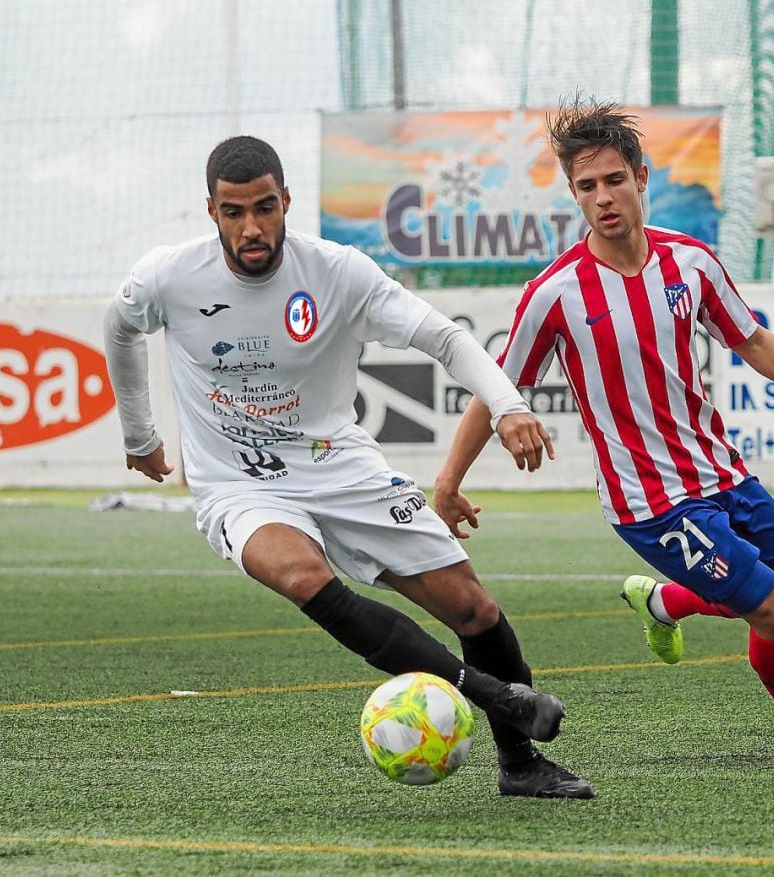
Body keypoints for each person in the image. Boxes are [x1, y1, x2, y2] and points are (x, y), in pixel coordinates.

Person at [102, 135, 593, 799]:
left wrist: (507, 406)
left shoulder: (337, 272)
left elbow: (443, 337)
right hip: (239, 482)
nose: (252, 227)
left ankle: (521, 765)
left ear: (286, 201)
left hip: (340, 466)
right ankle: (495, 697)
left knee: (472, 607)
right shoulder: (169, 276)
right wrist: (139, 432)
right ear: (211, 211)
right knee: (303, 573)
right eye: (234, 212)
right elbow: (120, 324)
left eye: (266, 207)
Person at [433, 97, 774, 761]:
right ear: (573, 193)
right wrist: (448, 483)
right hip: (651, 502)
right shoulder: (555, 294)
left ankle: (667, 603)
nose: (603, 198)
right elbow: (494, 391)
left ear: (641, 177)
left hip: (724, 473)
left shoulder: (692, 263)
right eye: (586, 186)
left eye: (614, 180)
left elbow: (753, 341)